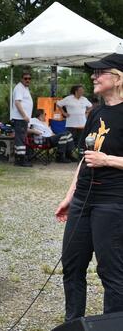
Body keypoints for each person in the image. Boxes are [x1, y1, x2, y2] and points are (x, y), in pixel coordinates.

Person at [56, 53, 123, 323]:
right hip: (83, 200)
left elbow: (99, 158)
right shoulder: (96, 112)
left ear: (118, 78)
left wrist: (108, 160)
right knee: (72, 265)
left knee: (111, 271)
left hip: (113, 202)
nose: (93, 77)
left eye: (100, 73)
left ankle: (115, 323)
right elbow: (85, 159)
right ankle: (73, 323)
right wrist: (69, 196)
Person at [57, 84, 93, 150]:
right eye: (81, 90)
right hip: (71, 124)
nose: (83, 91)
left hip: (82, 124)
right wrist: (64, 113)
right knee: (70, 140)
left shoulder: (84, 99)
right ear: (76, 91)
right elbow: (58, 104)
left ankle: (80, 154)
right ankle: (70, 154)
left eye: (83, 90)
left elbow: (91, 106)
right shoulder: (68, 98)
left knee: (81, 140)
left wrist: (87, 112)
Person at [11, 71, 34, 167]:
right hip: (20, 118)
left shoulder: (25, 88)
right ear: (21, 79)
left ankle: (19, 158)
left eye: (29, 78)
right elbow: (17, 103)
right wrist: (24, 115)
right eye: (25, 78)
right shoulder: (19, 88)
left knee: (21, 138)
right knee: (20, 139)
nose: (27, 80)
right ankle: (20, 160)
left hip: (22, 119)